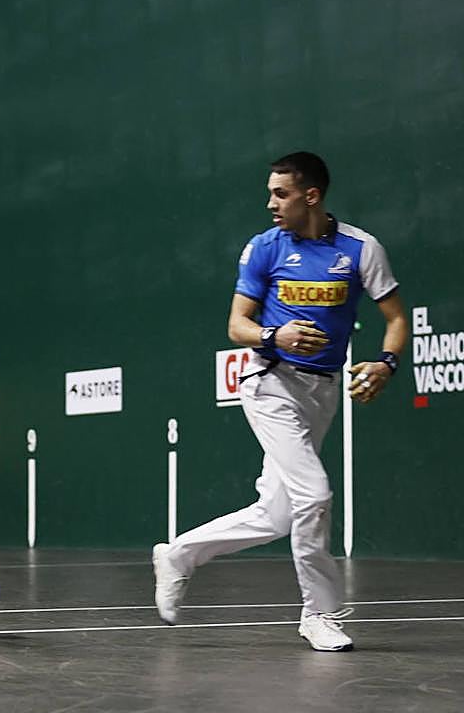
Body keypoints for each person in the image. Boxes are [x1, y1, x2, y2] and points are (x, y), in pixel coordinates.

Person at [152, 152, 408, 651]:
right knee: (314, 495)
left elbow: (396, 318)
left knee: (278, 514)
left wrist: (386, 363)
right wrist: (277, 334)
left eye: (281, 193)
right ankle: (320, 613)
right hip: (270, 382)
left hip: (324, 389)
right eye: (271, 193)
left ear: (311, 196)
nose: (270, 203)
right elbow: (236, 326)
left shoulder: (361, 249)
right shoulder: (264, 248)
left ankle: (179, 554)